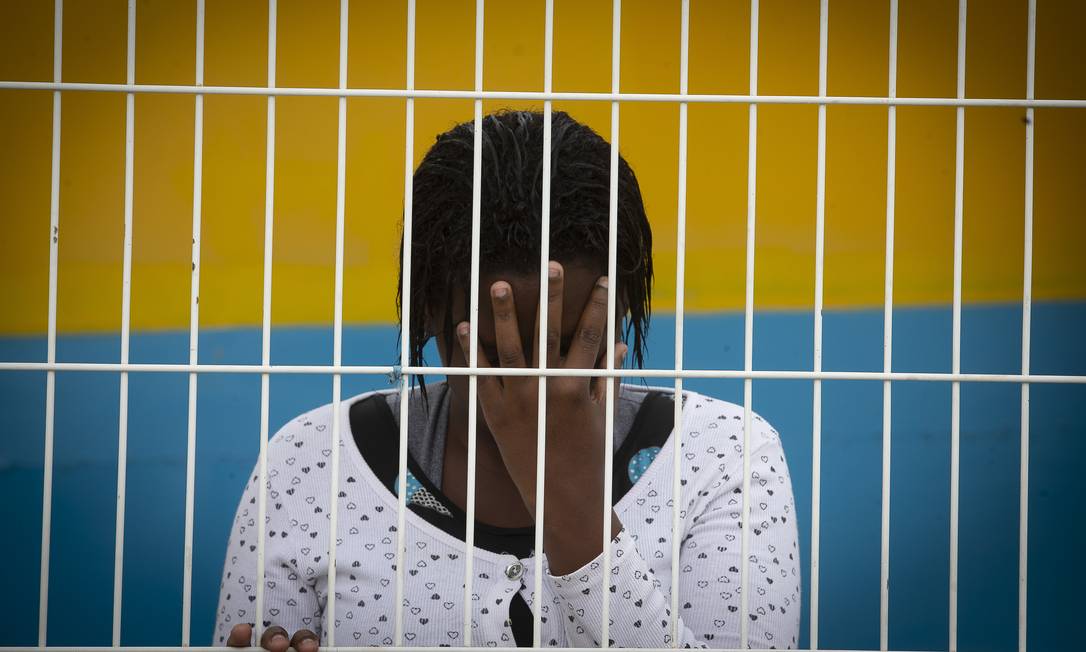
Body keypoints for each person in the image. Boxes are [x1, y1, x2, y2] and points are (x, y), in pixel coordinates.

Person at [215, 110, 800, 649]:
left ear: (620, 306)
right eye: (496, 355)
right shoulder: (311, 462)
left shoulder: (722, 454)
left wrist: (568, 500)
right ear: (427, 310)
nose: (536, 387)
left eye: (571, 345)